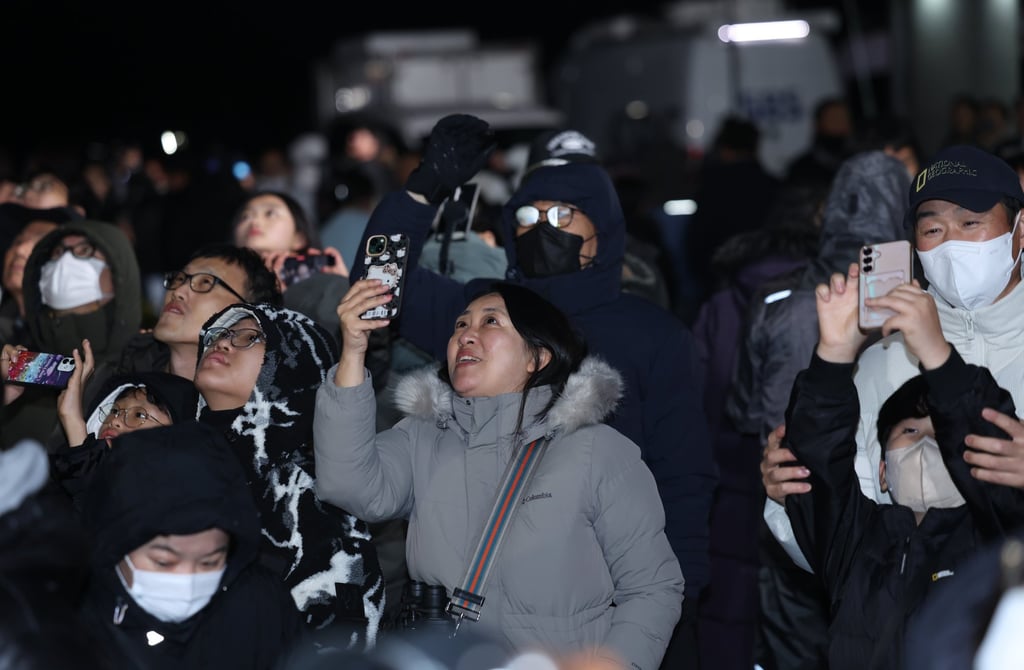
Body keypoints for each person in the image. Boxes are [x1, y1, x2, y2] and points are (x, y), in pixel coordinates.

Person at [350, 114, 716, 665]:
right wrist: (422, 192)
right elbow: (379, 286)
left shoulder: (653, 333)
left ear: (603, 231)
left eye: (564, 215)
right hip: (483, 606)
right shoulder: (482, 310)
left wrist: (675, 608)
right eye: (528, 214)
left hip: (609, 603)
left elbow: (684, 474)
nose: (543, 227)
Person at [314, 280, 683, 669]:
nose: (467, 335)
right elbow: (349, 484)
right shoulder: (421, 438)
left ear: (537, 358)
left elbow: (652, 587)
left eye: (491, 322)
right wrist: (354, 351)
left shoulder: (596, 451)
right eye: (460, 325)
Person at [761, 144, 1024, 597]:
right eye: (933, 228)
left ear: (1020, 231)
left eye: (971, 222)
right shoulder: (882, 361)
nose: (951, 242)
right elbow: (837, 542)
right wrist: (793, 497)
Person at [782, 260, 1024, 670]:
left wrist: (937, 354)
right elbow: (818, 459)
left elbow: (991, 446)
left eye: (940, 435)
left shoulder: (995, 540)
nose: (927, 443)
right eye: (910, 432)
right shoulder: (852, 540)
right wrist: (834, 355)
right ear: (881, 470)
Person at [725, 151, 911, 669]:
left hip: (788, 503)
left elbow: (741, 409)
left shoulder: (776, 298)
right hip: (881, 514)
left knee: (791, 646)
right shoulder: (919, 306)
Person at [194, 301, 385, 645]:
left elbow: (342, 643)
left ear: (292, 368)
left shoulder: (311, 495)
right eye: (219, 334)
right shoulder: (174, 457)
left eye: (249, 337)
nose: (221, 343)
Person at [78, 420, 304, 670]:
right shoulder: (66, 621)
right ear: (115, 544)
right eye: (164, 561)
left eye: (210, 562)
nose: (188, 579)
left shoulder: (259, 606)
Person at [1, 221, 141, 449]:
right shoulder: (21, 366)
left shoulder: (145, 371)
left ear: (119, 272)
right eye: (57, 253)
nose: (65, 262)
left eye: (84, 251)